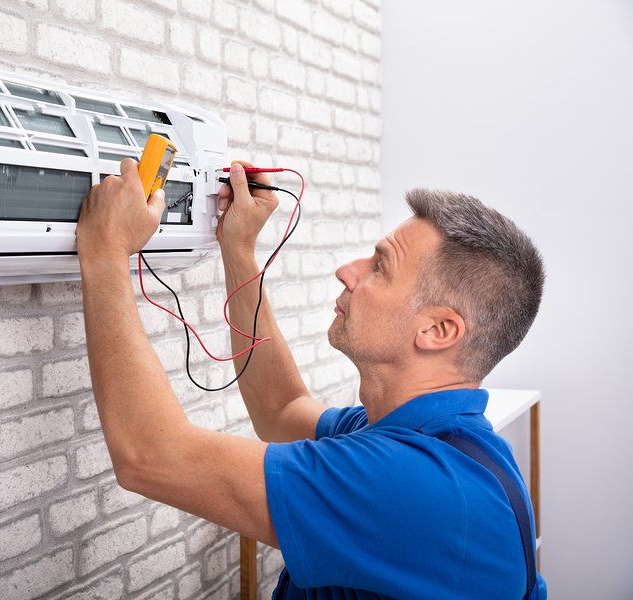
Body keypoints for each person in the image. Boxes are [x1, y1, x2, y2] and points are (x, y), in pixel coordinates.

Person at [76, 158, 547, 599]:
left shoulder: (418, 484)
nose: (348, 271)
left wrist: (105, 251)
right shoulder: (423, 435)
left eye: (380, 267)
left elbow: (150, 456)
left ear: (437, 330)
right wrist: (238, 248)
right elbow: (282, 409)